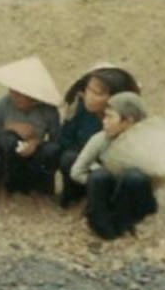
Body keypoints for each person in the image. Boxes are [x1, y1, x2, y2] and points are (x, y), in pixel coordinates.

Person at [70, 92, 157, 240]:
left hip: (130, 196)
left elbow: (152, 178)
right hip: (105, 193)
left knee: (135, 177)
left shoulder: (146, 144)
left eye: (110, 117)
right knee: (99, 177)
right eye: (105, 116)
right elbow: (77, 171)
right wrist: (99, 181)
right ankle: (103, 228)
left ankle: (129, 223)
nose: (104, 121)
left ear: (128, 121)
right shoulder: (100, 139)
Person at [58, 65, 140, 208]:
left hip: (111, 170)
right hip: (82, 164)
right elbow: (65, 139)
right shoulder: (79, 107)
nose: (90, 96)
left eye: (98, 93)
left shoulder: (126, 119)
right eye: (89, 89)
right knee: (68, 157)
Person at [0, 56, 61, 196]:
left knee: (52, 150)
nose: (15, 96)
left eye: (21, 94)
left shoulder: (49, 111)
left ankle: (41, 191)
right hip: (9, 158)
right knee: (7, 140)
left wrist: (35, 142)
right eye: (13, 92)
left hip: (34, 158)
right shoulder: (2, 105)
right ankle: (6, 188)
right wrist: (9, 127)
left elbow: (56, 140)